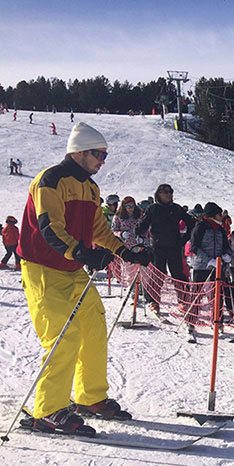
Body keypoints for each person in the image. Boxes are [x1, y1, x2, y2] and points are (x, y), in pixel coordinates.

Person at [17, 122, 151, 433]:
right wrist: (82, 253)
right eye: (99, 154)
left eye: (105, 155)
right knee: (63, 336)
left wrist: (125, 252)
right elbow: (50, 227)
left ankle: (90, 397)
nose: (103, 160)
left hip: (72, 268)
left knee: (93, 323)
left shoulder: (91, 188)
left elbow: (98, 231)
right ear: (80, 153)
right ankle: (48, 409)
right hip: (42, 267)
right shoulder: (50, 180)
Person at [136, 184, 194, 316]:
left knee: (178, 274)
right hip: (157, 247)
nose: (169, 194)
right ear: (159, 194)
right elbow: (142, 226)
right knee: (158, 274)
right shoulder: (153, 208)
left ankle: (183, 301)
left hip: (174, 246)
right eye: (166, 192)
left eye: (171, 192)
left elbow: (191, 224)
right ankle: (154, 302)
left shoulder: (176, 208)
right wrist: (139, 231)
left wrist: (183, 239)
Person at [188, 202, 233, 335]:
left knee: (217, 295)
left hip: (217, 267)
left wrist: (227, 255)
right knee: (197, 294)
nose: (221, 217)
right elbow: (194, 247)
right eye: (219, 214)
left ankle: (217, 321)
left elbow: (227, 246)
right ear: (213, 215)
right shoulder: (200, 227)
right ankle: (191, 321)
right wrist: (209, 260)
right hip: (202, 266)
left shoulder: (220, 230)